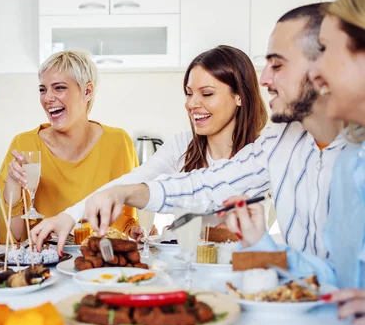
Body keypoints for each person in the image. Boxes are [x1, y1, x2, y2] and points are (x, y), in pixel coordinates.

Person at [79, 3, 344, 283]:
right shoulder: (280, 139)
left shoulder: (352, 154)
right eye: (190, 93)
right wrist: (123, 193)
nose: (264, 78)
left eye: (277, 65)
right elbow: (208, 184)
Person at [31, 45, 268, 252]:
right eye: (188, 93)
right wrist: (69, 216)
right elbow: (132, 179)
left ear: (239, 96)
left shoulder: (260, 155)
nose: (192, 104)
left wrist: (127, 194)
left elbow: (199, 189)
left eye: (206, 93)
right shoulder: (182, 146)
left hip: (243, 272)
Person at [226, 0, 365, 325]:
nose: (315, 70)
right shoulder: (352, 162)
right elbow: (338, 276)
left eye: (326, 51)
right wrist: (260, 243)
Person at [0, 50, 138, 244]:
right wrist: (13, 182)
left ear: (87, 91)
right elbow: (8, 239)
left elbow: (124, 223)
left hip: (97, 265)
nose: (47, 98)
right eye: (43, 89)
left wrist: (135, 230)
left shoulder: (118, 142)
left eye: (59, 88)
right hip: (43, 266)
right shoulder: (24, 145)